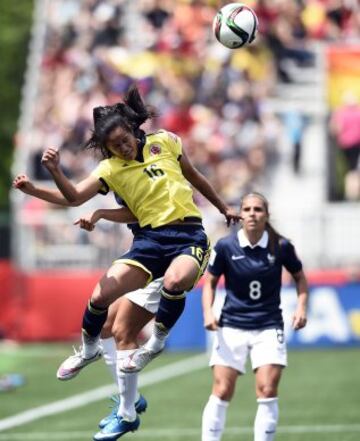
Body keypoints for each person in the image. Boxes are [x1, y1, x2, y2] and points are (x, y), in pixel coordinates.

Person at [13, 84, 240, 439]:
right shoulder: (110, 169)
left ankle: (152, 353)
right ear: (105, 148)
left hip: (187, 238)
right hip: (148, 244)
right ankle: (119, 397)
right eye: (114, 145)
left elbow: (194, 176)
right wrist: (48, 177)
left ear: (134, 130)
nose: (122, 147)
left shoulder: (165, 142)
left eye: (124, 140)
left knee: (172, 285)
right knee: (106, 312)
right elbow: (74, 197)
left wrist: (223, 206)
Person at [13, 174, 162, 439]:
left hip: (167, 254)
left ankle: (127, 414)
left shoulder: (149, 160)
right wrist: (35, 189)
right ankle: (131, 397)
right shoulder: (113, 166)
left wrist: (101, 213)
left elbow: (145, 209)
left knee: (123, 331)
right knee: (105, 325)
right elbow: (73, 197)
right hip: (144, 254)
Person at [201, 192, 309, 441]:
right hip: (232, 326)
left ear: (266, 215)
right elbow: (210, 282)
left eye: (258, 209)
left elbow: (300, 277)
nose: (252, 213)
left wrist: (301, 307)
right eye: (247, 209)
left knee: (267, 389)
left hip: (268, 326)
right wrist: (208, 312)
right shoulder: (226, 246)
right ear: (240, 214)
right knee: (221, 389)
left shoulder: (281, 246)